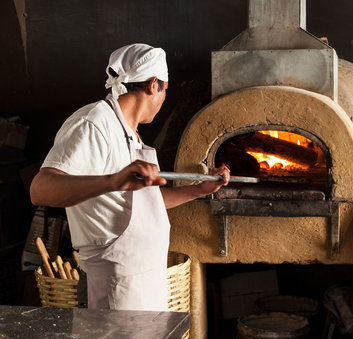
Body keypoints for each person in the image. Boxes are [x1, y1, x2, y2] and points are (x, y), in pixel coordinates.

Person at [30, 43, 230, 311]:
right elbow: (40, 189)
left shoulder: (128, 132)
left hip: (145, 285)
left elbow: (145, 204)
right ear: (153, 84)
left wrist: (198, 190)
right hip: (114, 288)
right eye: (165, 91)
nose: (163, 99)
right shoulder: (94, 123)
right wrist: (113, 180)